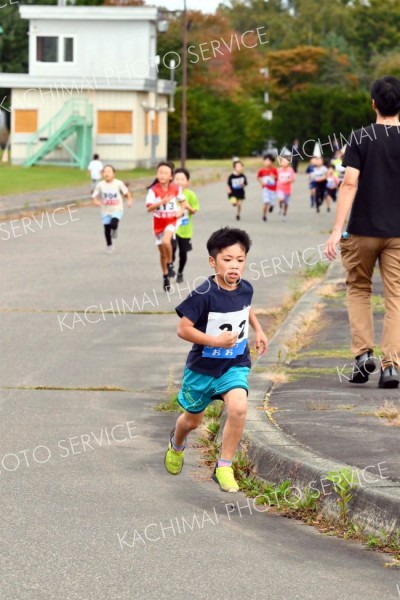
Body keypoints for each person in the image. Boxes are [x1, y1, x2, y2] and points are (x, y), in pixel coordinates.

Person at [164, 227, 269, 492]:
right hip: (202, 369)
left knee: (239, 408)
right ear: (213, 261)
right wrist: (214, 341)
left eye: (240, 260)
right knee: (192, 421)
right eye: (227, 259)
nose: (234, 265)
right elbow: (183, 328)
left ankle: (224, 465)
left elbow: (245, 308)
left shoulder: (245, 288)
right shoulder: (204, 293)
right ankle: (177, 444)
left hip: (234, 364)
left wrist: (259, 330)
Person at [325, 76, 400, 389]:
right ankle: (391, 366)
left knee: (358, 288)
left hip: (361, 230)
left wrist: (335, 230)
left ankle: (362, 355)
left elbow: (350, 183)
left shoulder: (360, 137)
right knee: (396, 296)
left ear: (373, 104)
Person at [146, 161, 184, 291]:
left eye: (165, 173)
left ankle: (170, 263)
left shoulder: (175, 189)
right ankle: (165, 276)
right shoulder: (153, 191)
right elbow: (149, 208)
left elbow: (183, 202)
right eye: (160, 172)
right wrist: (161, 202)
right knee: (162, 253)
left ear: (171, 176)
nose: (162, 175)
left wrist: (181, 211)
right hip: (158, 223)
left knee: (166, 240)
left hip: (172, 220)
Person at [92, 164, 132, 254]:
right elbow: (95, 195)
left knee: (113, 223)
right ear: (102, 174)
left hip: (117, 208)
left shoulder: (118, 183)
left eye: (109, 171)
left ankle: (115, 229)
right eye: (105, 172)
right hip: (105, 210)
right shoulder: (100, 185)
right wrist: (95, 201)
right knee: (106, 229)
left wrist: (129, 200)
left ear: (114, 174)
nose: (107, 173)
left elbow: (126, 193)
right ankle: (109, 245)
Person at [172, 168, 200, 284]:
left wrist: (188, 207)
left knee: (183, 253)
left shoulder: (190, 195)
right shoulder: (170, 194)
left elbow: (195, 211)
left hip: (185, 229)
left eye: (182, 179)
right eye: (176, 178)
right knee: (172, 249)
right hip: (172, 228)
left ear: (187, 182)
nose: (179, 181)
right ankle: (170, 266)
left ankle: (180, 272)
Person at [257, 153, 278, 221]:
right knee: (266, 202)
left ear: (272, 162)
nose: (267, 162)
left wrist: (274, 176)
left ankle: (272, 206)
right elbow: (258, 177)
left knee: (271, 202)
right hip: (265, 188)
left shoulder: (274, 170)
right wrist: (261, 182)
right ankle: (264, 215)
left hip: (273, 189)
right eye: (266, 161)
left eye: (269, 161)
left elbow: (277, 178)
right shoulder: (261, 170)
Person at [276, 155, 295, 220]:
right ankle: (280, 207)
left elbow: (293, 179)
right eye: (283, 161)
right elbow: (275, 178)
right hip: (280, 188)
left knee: (286, 203)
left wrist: (287, 181)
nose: (284, 163)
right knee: (281, 199)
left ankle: (285, 213)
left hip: (287, 189)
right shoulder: (278, 170)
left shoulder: (290, 170)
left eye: (285, 161)